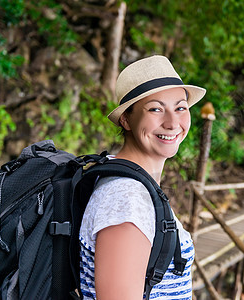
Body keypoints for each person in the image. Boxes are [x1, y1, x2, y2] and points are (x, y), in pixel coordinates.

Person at [78, 55, 206, 299]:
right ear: (126, 119)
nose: (172, 123)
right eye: (156, 109)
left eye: (180, 107)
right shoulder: (126, 200)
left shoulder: (135, 185)